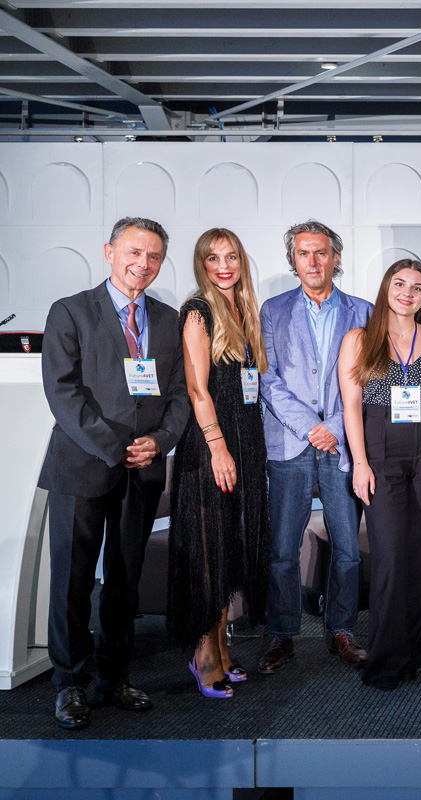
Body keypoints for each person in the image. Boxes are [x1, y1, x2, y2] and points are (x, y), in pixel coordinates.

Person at [38, 217, 190, 729]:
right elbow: (63, 393)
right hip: (82, 466)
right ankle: (70, 684)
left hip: (144, 470)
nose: (141, 264)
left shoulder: (169, 320)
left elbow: (179, 396)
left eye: (152, 257)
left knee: (124, 580)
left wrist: (161, 442)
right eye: (132, 252)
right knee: (73, 581)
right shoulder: (71, 312)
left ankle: (114, 677)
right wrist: (117, 447)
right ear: (109, 252)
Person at [258, 220, 373, 673]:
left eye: (321, 252)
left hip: (344, 444)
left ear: (335, 258)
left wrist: (337, 431)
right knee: (283, 548)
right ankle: (282, 635)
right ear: (293, 260)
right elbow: (267, 378)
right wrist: (311, 426)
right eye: (304, 253)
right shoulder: (272, 310)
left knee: (347, 546)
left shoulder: (364, 311)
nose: (313, 261)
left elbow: (371, 382)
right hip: (290, 441)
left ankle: (341, 630)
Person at [167, 228, 270, 698]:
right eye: (213, 258)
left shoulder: (242, 311)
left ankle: (222, 649)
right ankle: (203, 655)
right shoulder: (199, 311)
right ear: (201, 265)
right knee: (210, 552)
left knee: (231, 546)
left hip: (244, 445)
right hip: (212, 450)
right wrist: (219, 447)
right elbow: (196, 389)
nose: (224, 265)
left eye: (231, 256)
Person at [338, 259, 421, 691]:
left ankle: (413, 656)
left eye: (417, 288)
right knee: (389, 557)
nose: (407, 293)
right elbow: (350, 408)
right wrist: (360, 463)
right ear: (386, 288)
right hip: (380, 448)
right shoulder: (360, 339)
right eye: (400, 284)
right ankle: (383, 660)